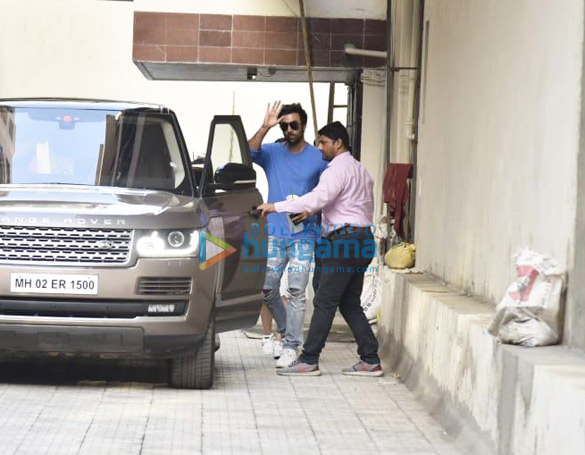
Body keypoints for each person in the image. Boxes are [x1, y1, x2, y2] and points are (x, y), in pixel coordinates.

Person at [257, 121, 384, 377]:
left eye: (323, 142)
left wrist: (275, 207)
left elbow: (318, 197)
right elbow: (340, 203)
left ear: (338, 143)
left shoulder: (336, 169)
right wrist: (309, 212)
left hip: (344, 242)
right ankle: (370, 358)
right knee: (349, 303)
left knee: (325, 300)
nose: (320, 147)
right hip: (361, 240)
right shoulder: (361, 170)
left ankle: (309, 358)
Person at [248, 101, 326, 368]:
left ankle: (292, 345)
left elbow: (329, 193)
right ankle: (286, 332)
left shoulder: (318, 157)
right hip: (275, 233)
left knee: (296, 290)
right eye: (284, 126)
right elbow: (248, 152)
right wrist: (265, 127)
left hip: (305, 234)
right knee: (267, 288)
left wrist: (311, 209)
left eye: (294, 125)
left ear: (304, 125)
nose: (289, 130)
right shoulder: (273, 152)